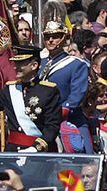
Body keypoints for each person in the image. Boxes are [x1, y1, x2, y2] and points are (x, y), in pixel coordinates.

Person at [39, 21, 91, 154]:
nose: (50, 40)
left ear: (64, 38)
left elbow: (77, 95)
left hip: (68, 118)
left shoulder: (76, 64)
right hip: (41, 119)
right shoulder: (39, 63)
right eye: (47, 36)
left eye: (55, 36)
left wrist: (61, 112)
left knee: (86, 160)